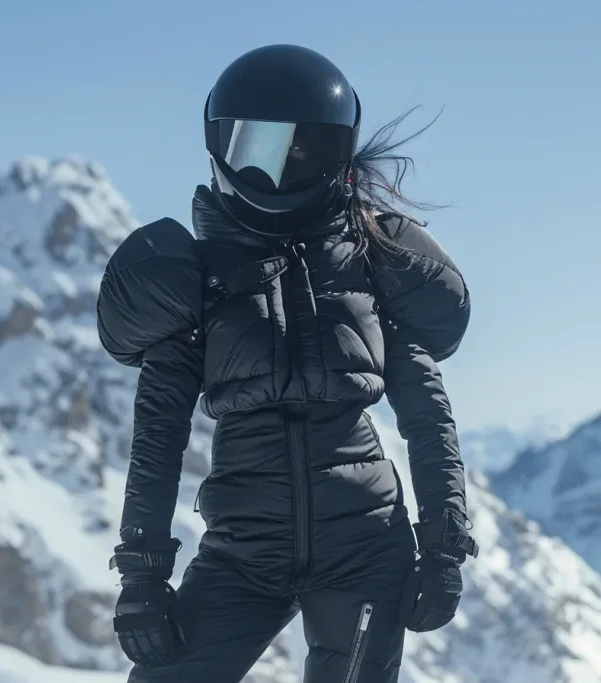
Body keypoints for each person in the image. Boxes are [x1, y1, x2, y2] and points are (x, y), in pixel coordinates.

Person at [96, 44, 478, 683]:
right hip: (242, 555)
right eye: (258, 150)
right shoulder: (193, 277)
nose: (275, 171)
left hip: (365, 550)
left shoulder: (376, 264)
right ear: (221, 148)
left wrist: (444, 546)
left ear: (340, 159)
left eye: (303, 151)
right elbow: (157, 432)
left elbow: (426, 414)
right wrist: (141, 573)